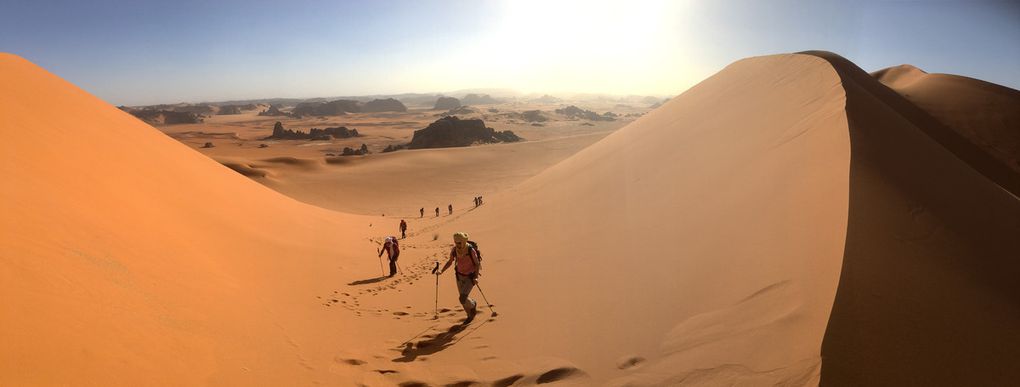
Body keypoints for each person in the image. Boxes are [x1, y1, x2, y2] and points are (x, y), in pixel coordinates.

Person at [437, 232, 481, 323]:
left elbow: (477, 264)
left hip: (470, 276)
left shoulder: (470, 250)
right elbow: (450, 262)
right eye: (456, 242)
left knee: (463, 298)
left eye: (459, 242)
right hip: (459, 276)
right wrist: (441, 270)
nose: (457, 244)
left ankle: (473, 305)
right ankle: (469, 316)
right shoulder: (454, 250)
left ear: (464, 241)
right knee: (462, 299)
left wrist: (476, 277)